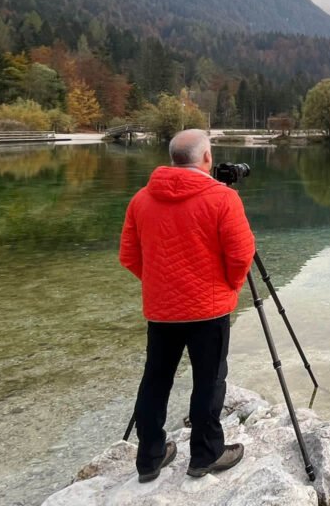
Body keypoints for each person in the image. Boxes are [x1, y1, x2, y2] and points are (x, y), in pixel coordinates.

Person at [119, 129, 256, 482]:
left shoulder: (141, 200)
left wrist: (162, 286)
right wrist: (228, 287)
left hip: (162, 310)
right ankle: (205, 455)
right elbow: (242, 254)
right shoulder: (223, 199)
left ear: (172, 158)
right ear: (206, 158)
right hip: (209, 310)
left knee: (156, 380)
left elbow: (129, 256)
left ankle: (149, 458)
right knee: (209, 381)